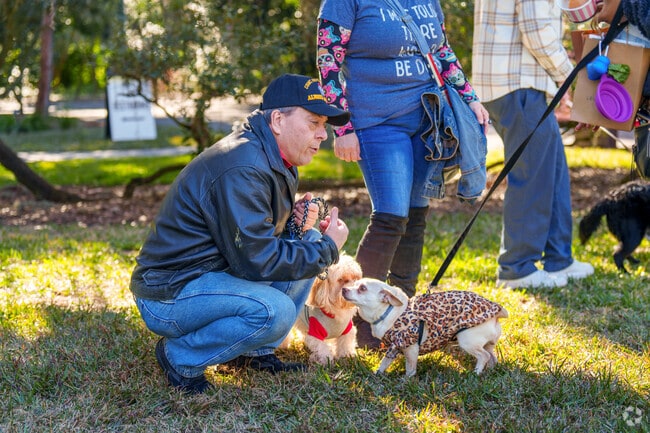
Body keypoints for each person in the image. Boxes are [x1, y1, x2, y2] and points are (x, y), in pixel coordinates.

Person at [129, 74, 351, 394]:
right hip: (168, 294)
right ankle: (180, 357)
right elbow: (257, 261)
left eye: (324, 125)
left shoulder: (275, 156)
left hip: (211, 274)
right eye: (314, 122)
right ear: (277, 120)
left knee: (309, 240)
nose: (323, 135)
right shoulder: (244, 166)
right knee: (277, 310)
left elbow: (253, 238)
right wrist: (330, 249)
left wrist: (292, 224)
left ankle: (252, 351)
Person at [317, 0, 491, 347]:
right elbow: (328, 63)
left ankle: (402, 318)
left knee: (416, 215)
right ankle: (361, 327)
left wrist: (469, 97)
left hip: (427, 118)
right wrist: (343, 126)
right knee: (391, 217)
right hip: (377, 121)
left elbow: (441, 50)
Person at [472, 0, 594, 289]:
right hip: (517, 83)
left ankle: (558, 258)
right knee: (534, 177)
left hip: (513, 83)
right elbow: (537, 30)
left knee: (552, 168)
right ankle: (517, 267)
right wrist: (570, 79)